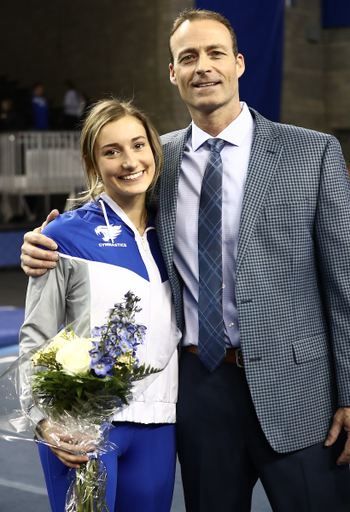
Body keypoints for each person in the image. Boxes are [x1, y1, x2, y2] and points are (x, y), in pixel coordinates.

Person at [20, 8, 350, 512]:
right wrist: (39, 243)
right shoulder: (158, 158)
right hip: (198, 391)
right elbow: (101, 211)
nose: (203, 67)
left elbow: (343, 284)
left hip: (299, 390)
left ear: (239, 63)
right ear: (173, 73)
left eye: (216, 53)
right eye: (188, 57)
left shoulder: (313, 153)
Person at [19, 98, 179, 512]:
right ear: (92, 164)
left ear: (154, 152)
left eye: (138, 145)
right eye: (112, 152)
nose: (129, 161)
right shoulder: (63, 235)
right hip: (81, 427)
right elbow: (36, 335)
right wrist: (45, 421)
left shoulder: (177, 232)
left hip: (159, 424)